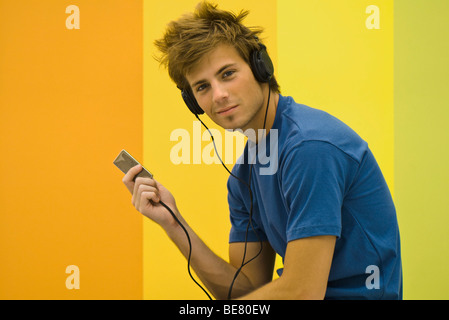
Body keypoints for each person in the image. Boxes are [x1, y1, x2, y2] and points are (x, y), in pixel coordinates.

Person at [122, 1, 402, 300]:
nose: (219, 95)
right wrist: (173, 221)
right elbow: (244, 291)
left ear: (261, 67)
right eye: (202, 87)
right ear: (194, 103)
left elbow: (302, 293)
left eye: (227, 73)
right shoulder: (244, 175)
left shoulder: (309, 148)